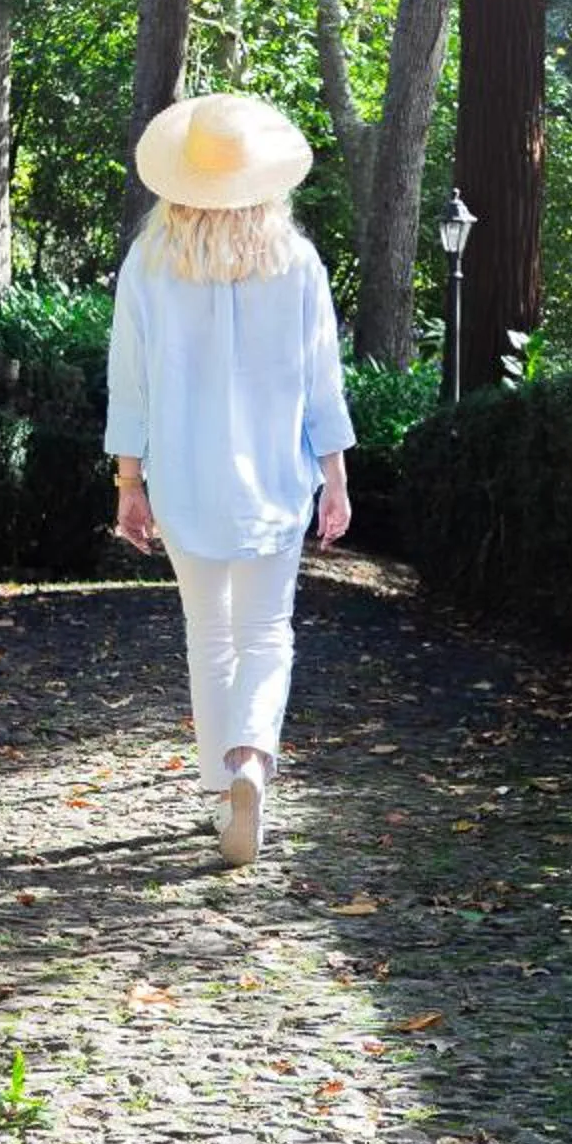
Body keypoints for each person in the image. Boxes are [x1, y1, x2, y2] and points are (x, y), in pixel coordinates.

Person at [105, 91, 355, 868]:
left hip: (185, 479)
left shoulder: (149, 262)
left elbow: (130, 381)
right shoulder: (297, 262)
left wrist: (128, 482)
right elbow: (324, 382)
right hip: (277, 480)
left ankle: (223, 792)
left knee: (207, 636)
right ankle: (252, 758)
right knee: (266, 632)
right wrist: (336, 475)